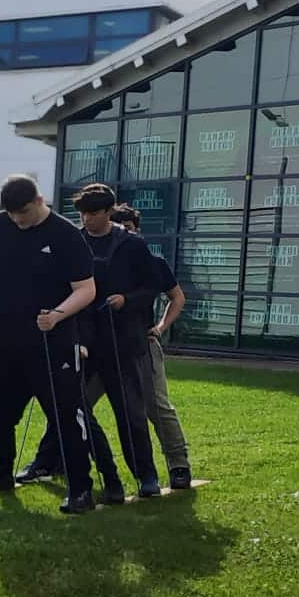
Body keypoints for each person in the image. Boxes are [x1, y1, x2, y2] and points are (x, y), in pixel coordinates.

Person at [0, 174, 101, 514]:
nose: (18, 220)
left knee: (64, 417)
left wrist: (57, 314)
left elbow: (86, 289)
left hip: (50, 343)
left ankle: (81, 490)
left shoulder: (65, 235)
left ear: (39, 201)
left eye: (23, 212)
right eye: (12, 214)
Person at [16, 185, 165, 500]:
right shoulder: (74, 242)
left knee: (130, 414)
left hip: (122, 343)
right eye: (82, 213)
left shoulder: (132, 245)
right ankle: (46, 462)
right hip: (80, 339)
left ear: (109, 212)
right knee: (67, 408)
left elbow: (153, 288)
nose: (86, 219)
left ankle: (146, 475)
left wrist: (127, 299)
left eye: (93, 213)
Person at [115, 206, 196, 489]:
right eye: (118, 227)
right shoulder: (101, 260)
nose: (124, 232)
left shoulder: (152, 262)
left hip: (142, 344)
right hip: (104, 345)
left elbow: (177, 297)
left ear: (137, 228)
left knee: (156, 406)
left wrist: (160, 327)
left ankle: (178, 465)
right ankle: (54, 459)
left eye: (128, 227)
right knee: (77, 402)